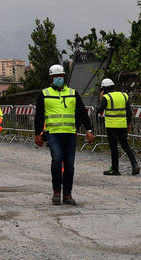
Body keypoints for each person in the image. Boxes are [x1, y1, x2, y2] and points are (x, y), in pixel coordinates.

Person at [34, 64, 95, 206]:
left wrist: (89, 129)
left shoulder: (73, 93)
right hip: (53, 135)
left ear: (64, 77)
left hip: (70, 134)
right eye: (56, 76)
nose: (58, 78)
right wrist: (37, 134)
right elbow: (39, 116)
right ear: (51, 78)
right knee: (56, 160)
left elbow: (82, 112)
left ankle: (67, 194)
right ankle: (56, 191)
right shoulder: (44, 94)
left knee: (69, 165)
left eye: (60, 76)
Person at [97, 78, 140, 176]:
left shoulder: (106, 97)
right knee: (125, 145)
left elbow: (99, 110)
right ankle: (134, 164)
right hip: (122, 125)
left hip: (111, 126)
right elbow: (129, 112)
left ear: (105, 89)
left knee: (114, 147)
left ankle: (115, 169)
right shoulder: (123, 95)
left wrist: (100, 99)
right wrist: (128, 124)